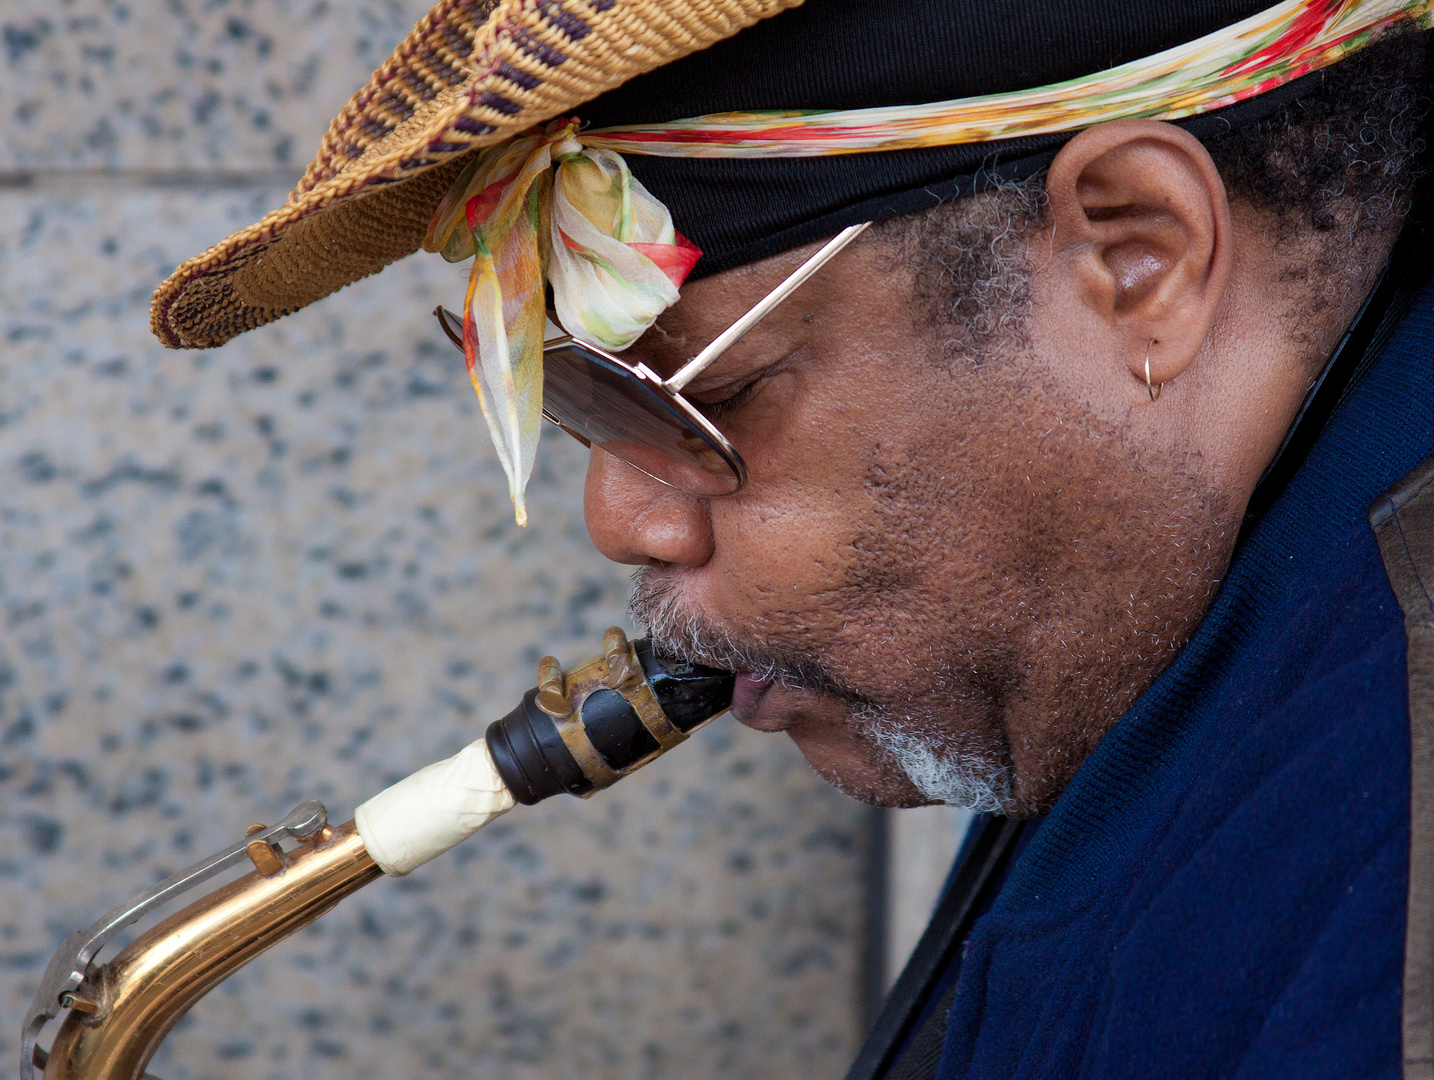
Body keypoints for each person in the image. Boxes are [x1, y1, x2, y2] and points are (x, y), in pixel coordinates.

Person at [151, 0, 1434, 1075]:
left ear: (1139, 260)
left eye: (689, 398)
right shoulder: (1136, 607)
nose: (622, 520)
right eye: (566, 402)